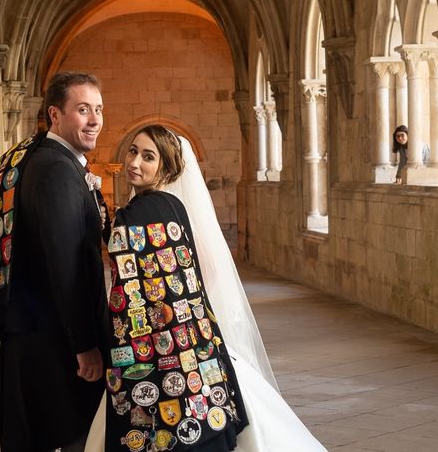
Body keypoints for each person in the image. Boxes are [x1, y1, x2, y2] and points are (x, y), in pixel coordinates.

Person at [86, 125, 326, 452]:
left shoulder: (136, 214)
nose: (134, 162)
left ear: (166, 168)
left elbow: (122, 273)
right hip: (191, 336)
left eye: (148, 157)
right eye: (132, 151)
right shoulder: (175, 207)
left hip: (156, 347)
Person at [0, 72, 109, 451]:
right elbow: (65, 265)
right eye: (83, 109)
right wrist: (85, 345)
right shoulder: (56, 170)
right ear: (55, 115)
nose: (94, 119)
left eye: (98, 109)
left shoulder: (52, 160)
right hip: (52, 341)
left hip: (45, 333)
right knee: (73, 438)